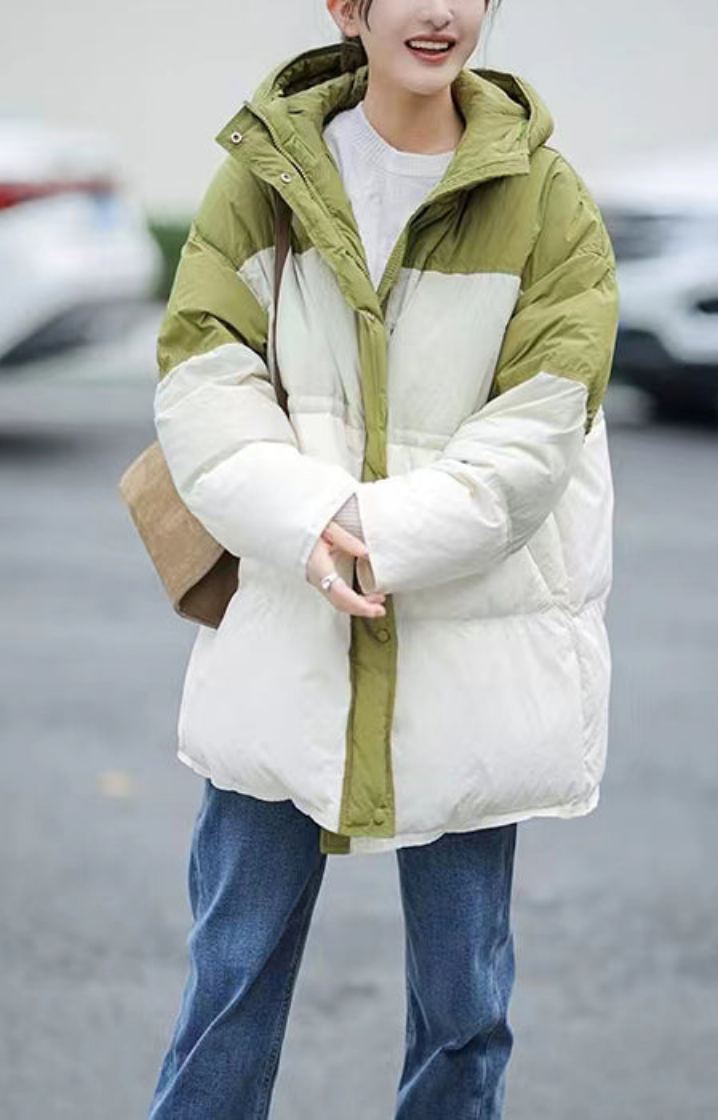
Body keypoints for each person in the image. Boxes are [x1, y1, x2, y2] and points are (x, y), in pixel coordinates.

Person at [146, 0, 619, 1115]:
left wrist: (376, 538)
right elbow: (201, 391)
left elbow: (539, 429)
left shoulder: (547, 203)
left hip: (472, 652)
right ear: (348, 7)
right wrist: (308, 524)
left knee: (464, 1010)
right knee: (229, 987)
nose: (443, 11)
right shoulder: (262, 181)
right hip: (286, 631)